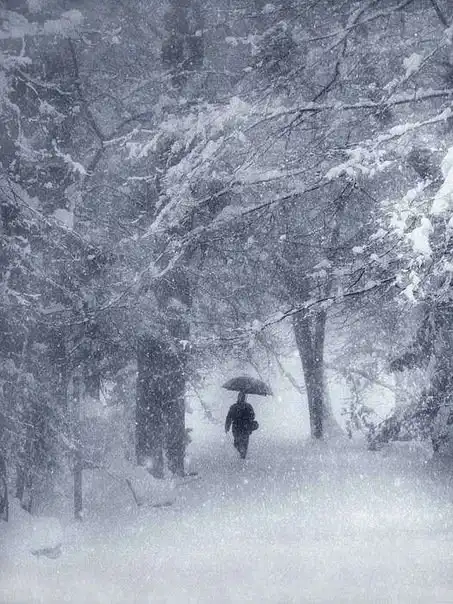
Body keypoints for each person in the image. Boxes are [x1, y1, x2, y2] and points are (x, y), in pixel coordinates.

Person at [225, 392, 259, 459]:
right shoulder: (247, 406)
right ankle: (242, 454)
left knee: (240, 442)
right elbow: (252, 416)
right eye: (241, 397)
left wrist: (227, 427)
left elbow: (229, 418)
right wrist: (227, 426)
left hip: (239, 428)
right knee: (241, 443)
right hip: (242, 428)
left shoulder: (235, 407)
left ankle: (242, 455)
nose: (242, 398)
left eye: (243, 397)